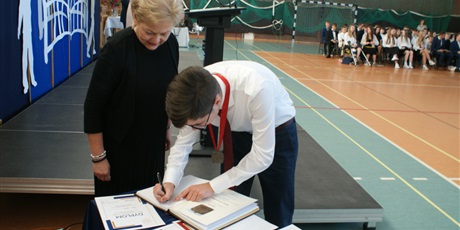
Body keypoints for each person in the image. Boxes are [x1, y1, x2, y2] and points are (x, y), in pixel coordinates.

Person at [155, 61, 299, 228]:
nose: (195, 129)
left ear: (217, 102)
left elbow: (262, 157)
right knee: (230, 200)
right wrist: (169, 182)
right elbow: (182, 145)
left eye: (200, 124)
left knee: (279, 203)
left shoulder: (256, 88)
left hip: (277, 130)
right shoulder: (194, 91)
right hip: (237, 132)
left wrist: (211, 185)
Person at [84, 0, 184, 196]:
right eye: (149, 32)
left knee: (150, 204)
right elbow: (93, 106)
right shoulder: (117, 49)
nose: (156, 41)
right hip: (119, 150)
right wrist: (98, 157)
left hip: (152, 146)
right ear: (136, 19)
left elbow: (168, 90)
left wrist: (166, 128)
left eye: (163, 33)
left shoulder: (171, 44)